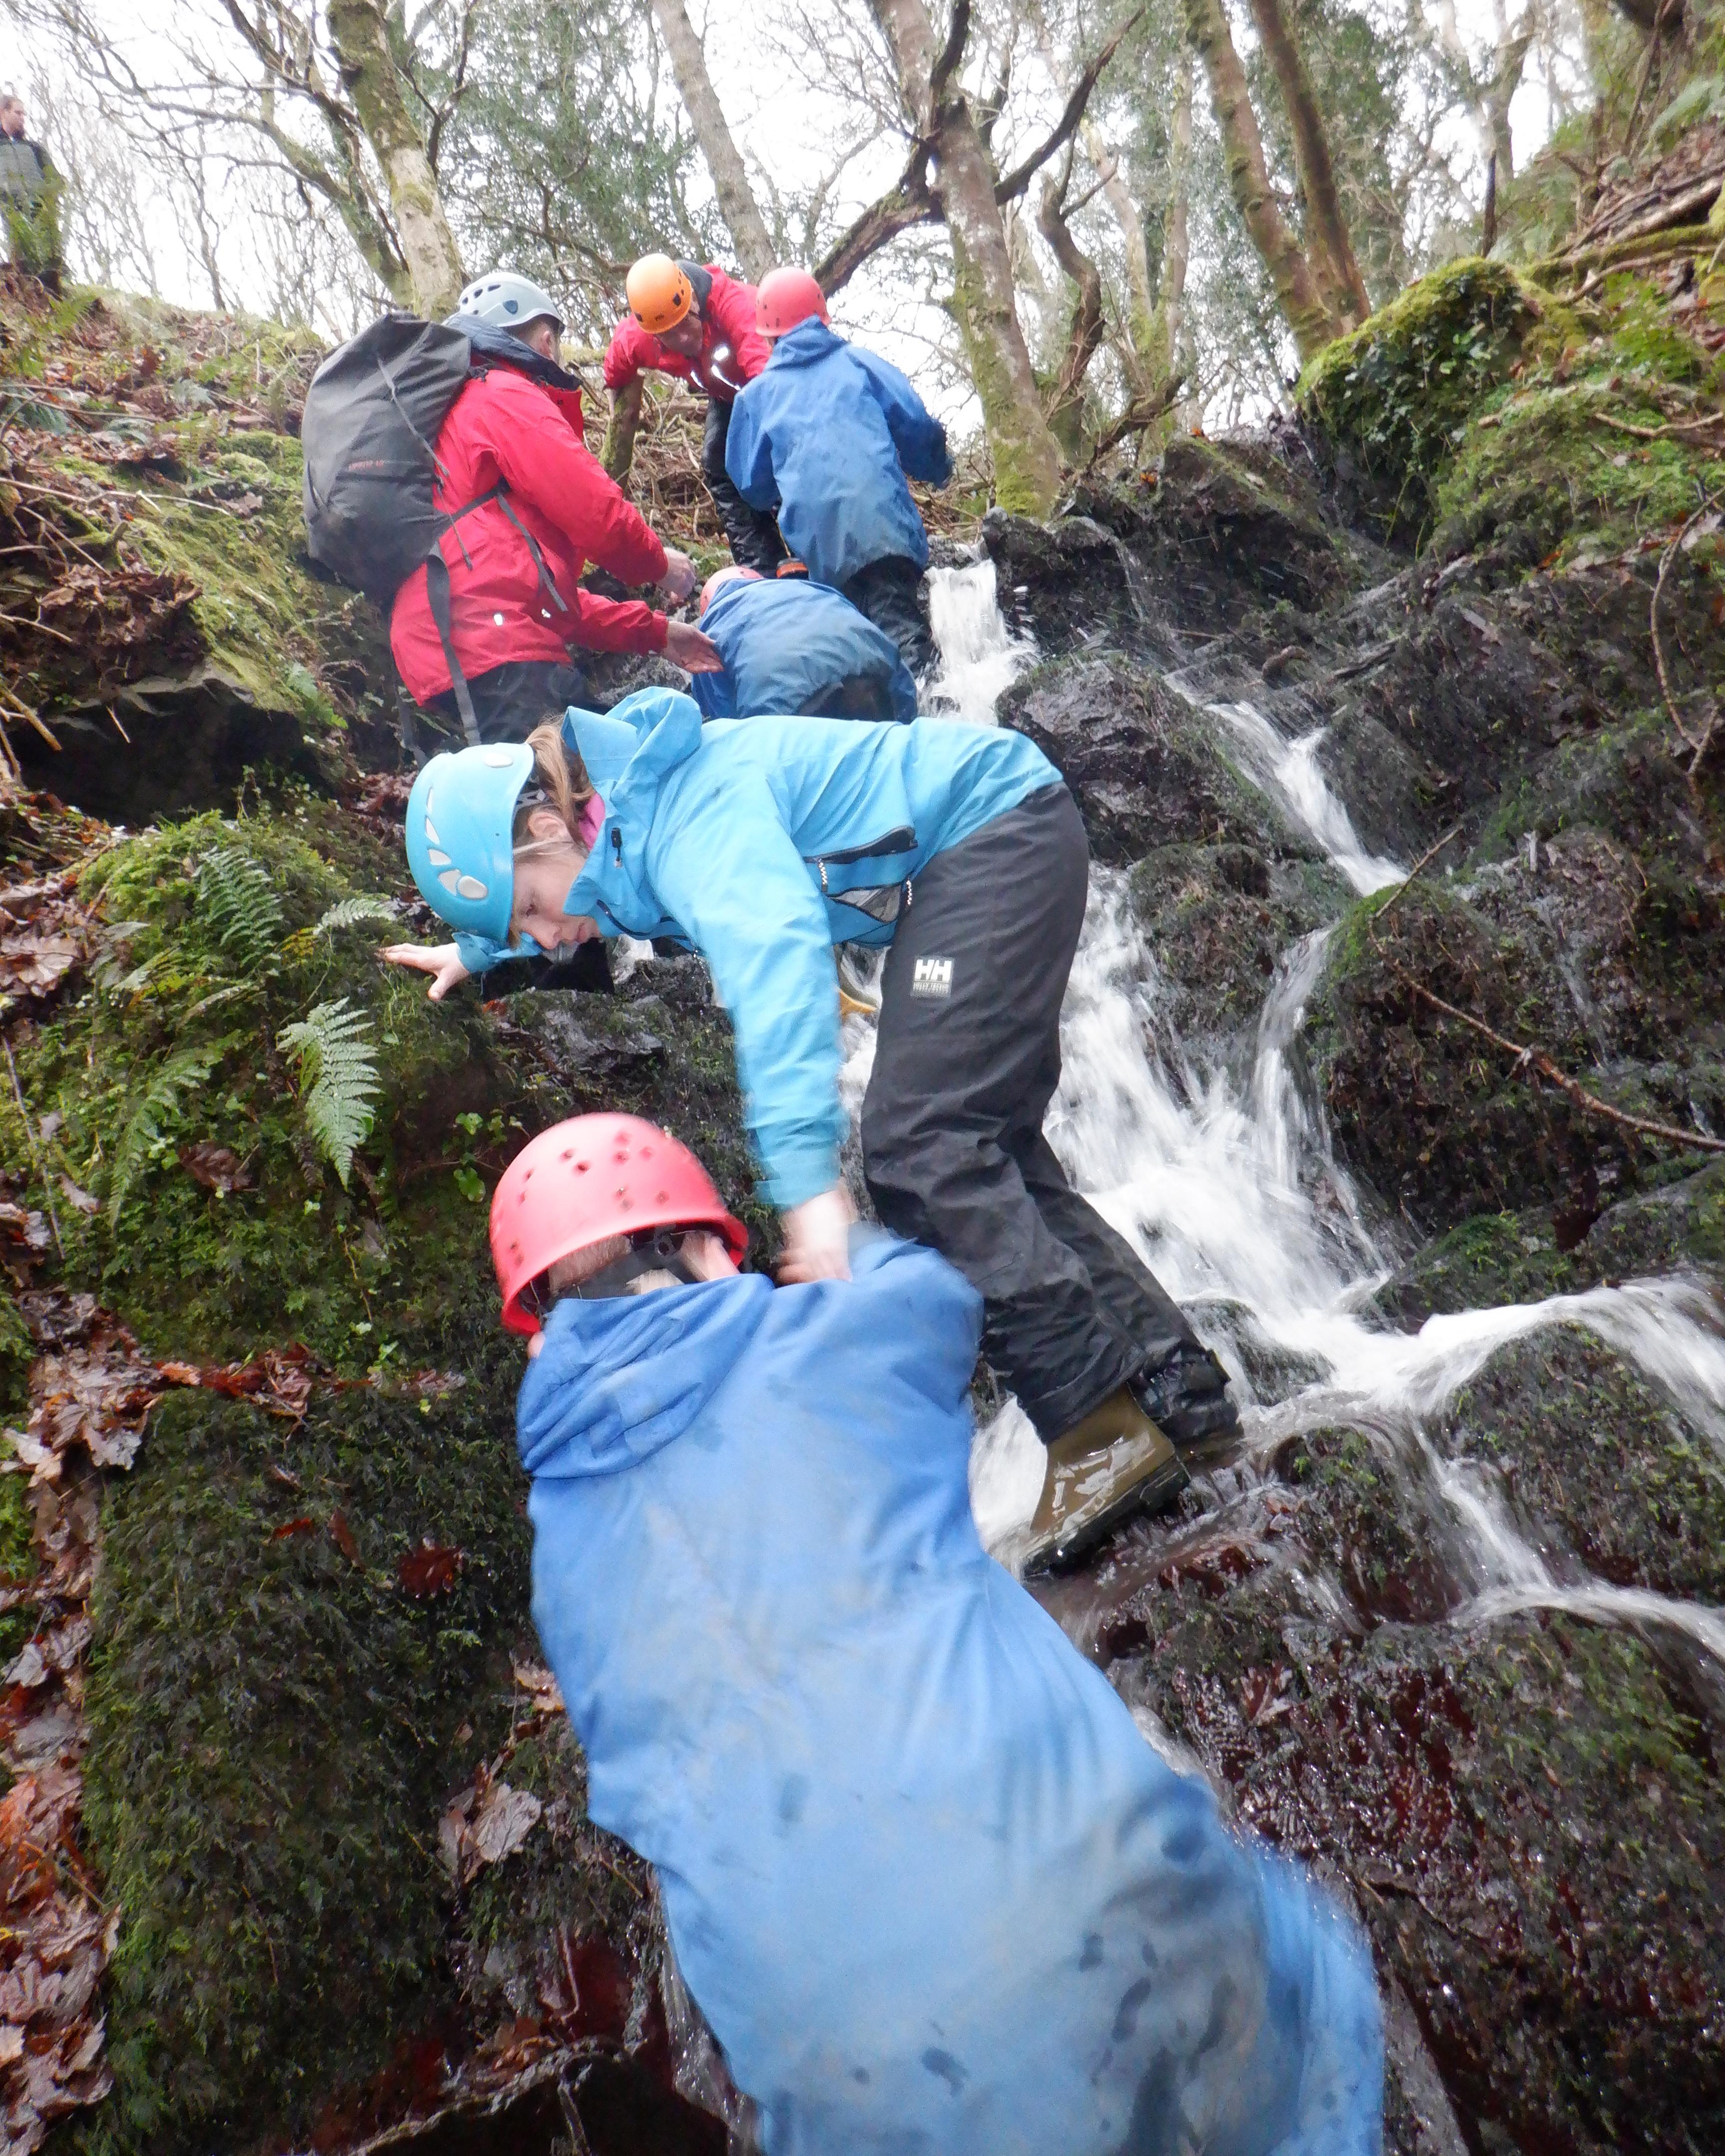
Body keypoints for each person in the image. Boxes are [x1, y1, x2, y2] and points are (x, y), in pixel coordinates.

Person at [497, 1110, 1385, 2156]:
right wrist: (830, 1239)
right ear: (702, 1247)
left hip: (851, 2099)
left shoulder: (559, 1567)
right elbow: (940, 1295)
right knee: (1308, 1974)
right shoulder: (825, 1344)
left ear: (542, 1331)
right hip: (1119, 1931)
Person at [383, 691, 1242, 1575]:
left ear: (545, 824)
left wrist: (806, 1186)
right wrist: (479, 953)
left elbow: (779, 961)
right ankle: (1173, 1393)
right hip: (984, 849)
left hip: (993, 838)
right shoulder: (619, 827)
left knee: (922, 1147)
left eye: (530, 906)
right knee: (984, 1145)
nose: (547, 936)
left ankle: (1101, 1433)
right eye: (523, 927)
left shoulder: (690, 820)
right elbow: (573, 899)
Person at [390, 269, 718, 746]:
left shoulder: (457, 419)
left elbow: (555, 604)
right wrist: (660, 567)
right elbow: (597, 513)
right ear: (546, 341)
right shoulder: (501, 395)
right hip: (490, 643)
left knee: (595, 763)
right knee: (582, 776)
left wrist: (659, 633)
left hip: (456, 640)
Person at [725, 268, 950, 675]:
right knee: (904, 635)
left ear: (768, 336)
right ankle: (936, 699)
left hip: (823, 553)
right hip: (886, 530)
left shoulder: (756, 399)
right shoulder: (859, 363)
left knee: (864, 653)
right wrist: (938, 470)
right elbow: (917, 426)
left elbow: (751, 486)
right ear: (821, 318)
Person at [602, 255, 787, 573]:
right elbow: (617, 365)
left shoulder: (735, 305)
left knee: (777, 456)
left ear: (695, 303)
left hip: (777, 389)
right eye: (669, 334)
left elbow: (768, 380)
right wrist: (615, 404)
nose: (683, 339)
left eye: (685, 324)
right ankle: (762, 569)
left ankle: (812, 549)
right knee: (719, 464)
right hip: (727, 396)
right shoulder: (639, 336)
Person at [690, 565, 916, 724]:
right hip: (870, 686)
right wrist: (908, 717)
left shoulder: (709, 633)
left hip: (791, 719)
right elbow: (881, 647)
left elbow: (724, 722)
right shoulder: (810, 589)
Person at [0, 95, 63, 294]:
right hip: (12, 208)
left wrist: (49, 197)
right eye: (18, 113)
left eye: (24, 114)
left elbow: (54, 178)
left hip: (39, 206)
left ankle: (52, 289)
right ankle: (28, 289)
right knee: (23, 254)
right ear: (3, 113)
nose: (22, 118)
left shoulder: (34, 148)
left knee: (48, 256)